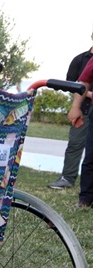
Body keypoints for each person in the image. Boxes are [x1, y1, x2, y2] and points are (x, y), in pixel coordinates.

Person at [48, 37, 93, 189]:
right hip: (83, 108)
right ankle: (67, 178)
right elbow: (72, 84)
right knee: (75, 143)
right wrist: (86, 96)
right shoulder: (80, 60)